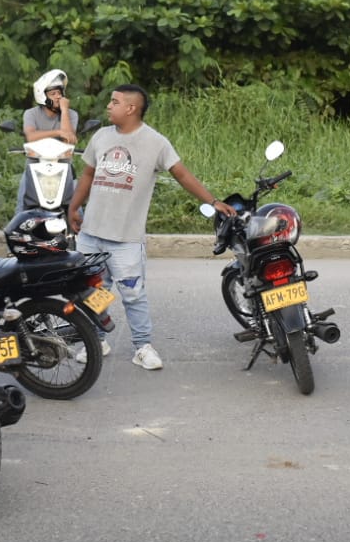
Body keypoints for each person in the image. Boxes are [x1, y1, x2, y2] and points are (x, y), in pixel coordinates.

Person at [66, 84, 234, 370]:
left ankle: (142, 347)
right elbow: (88, 175)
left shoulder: (155, 142)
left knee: (132, 294)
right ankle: (96, 340)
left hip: (126, 238)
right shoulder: (101, 136)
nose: (109, 106)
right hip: (91, 234)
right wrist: (73, 207)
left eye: (114, 101)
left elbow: (181, 174)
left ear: (131, 108)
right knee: (95, 292)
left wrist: (213, 201)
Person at [19, 68, 80, 211]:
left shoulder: (71, 114)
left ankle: (77, 232)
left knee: (75, 208)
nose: (58, 97)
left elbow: (69, 140)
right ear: (42, 96)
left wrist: (64, 110)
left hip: (63, 167)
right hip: (35, 166)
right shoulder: (31, 114)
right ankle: (19, 232)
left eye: (60, 93)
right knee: (22, 202)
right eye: (53, 94)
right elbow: (30, 136)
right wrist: (58, 131)